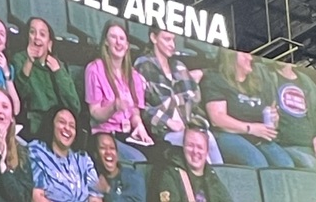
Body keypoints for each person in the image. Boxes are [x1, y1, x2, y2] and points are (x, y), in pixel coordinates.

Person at [29, 107, 113, 202]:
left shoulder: (83, 159)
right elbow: (37, 198)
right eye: (61, 122)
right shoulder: (37, 151)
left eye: (72, 126)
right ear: (52, 125)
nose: (67, 128)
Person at [134, 27, 222, 161]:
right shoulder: (143, 64)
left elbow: (194, 102)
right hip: (163, 132)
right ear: (154, 38)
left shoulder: (179, 67)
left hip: (188, 127)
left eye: (173, 40)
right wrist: (168, 121)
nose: (172, 45)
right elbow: (142, 107)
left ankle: (220, 177)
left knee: (207, 138)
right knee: (195, 144)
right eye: (167, 39)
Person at [154, 123, 244, 202]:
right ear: (183, 147)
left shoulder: (211, 175)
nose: (195, 151)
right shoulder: (171, 172)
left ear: (207, 151)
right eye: (190, 145)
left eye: (200, 147)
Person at [202, 49, 294, 168]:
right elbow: (217, 118)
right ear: (231, 57)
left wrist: (274, 118)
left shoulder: (258, 82)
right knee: (257, 162)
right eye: (245, 55)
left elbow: (270, 117)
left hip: (259, 136)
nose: (250, 58)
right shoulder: (216, 79)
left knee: (286, 164)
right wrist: (250, 128)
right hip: (229, 134)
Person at [85, 21, 153, 162]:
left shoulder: (134, 76)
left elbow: (134, 111)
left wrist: (139, 126)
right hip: (105, 134)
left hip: (127, 134)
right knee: (138, 161)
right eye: (113, 37)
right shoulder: (95, 69)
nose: (118, 42)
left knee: (157, 157)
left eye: (122, 39)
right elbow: (94, 112)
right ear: (105, 42)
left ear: (127, 45)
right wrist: (114, 107)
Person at [11, 16, 80, 137]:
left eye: (42, 34)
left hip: (58, 130)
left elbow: (74, 105)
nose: (37, 37)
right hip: (32, 128)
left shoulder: (58, 67)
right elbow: (18, 97)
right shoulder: (20, 59)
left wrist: (58, 73)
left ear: (49, 44)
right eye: (32, 32)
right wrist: (29, 62)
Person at [272, 61, 316, 170]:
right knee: (311, 165)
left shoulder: (306, 81)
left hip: (312, 146)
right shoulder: (269, 77)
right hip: (287, 145)